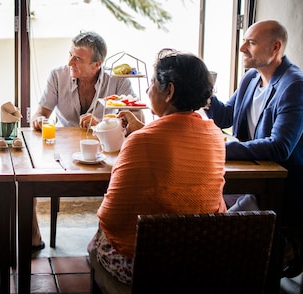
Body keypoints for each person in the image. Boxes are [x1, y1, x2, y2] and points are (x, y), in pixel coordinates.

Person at [88, 49, 227, 286]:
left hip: (147, 266)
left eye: (152, 83)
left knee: (95, 242)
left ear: (169, 91)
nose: (146, 89)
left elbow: (110, 217)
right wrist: (143, 130)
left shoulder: (141, 140)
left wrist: (140, 135)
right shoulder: (214, 135)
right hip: (199, 260)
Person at [204, 19, 303, 277]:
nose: (242, 48)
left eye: (252, 42)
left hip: (281, 186)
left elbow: (280, 147)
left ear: (275, 48)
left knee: (214, 231)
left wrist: (220, 150)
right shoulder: (251, 78)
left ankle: (286, 248)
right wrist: (204, 94)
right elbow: (226, 116)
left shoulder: (294, 85)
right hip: (251, 178)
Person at [29, 31, 136, 250]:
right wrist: (38, 119)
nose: (70, 62)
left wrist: (103, 123)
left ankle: (118, 242)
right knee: (28, 177)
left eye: (77, 58)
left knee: (132, 179)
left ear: (97, 64)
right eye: (70, 55)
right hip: (64, 151)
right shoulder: (58, 75)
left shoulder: (118, 81)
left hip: (106, 153)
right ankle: (33, 237)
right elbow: (41, 112)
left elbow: (136, 123)